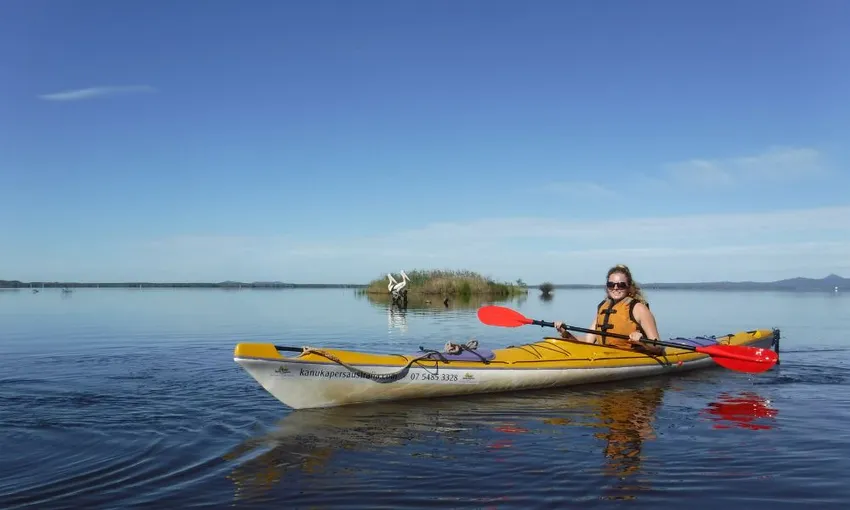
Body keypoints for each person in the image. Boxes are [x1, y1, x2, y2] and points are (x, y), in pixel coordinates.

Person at [554, 264, 664, 355]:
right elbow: (588, 341)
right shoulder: (603, 307)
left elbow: (658, 347)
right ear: (607, 286)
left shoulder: (639, 308)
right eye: (611, 284)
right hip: (605, 354)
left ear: (629, 287)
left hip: (631, 356)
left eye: (621, 285)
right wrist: (565, 334)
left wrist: (641, 342)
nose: (615, 288)